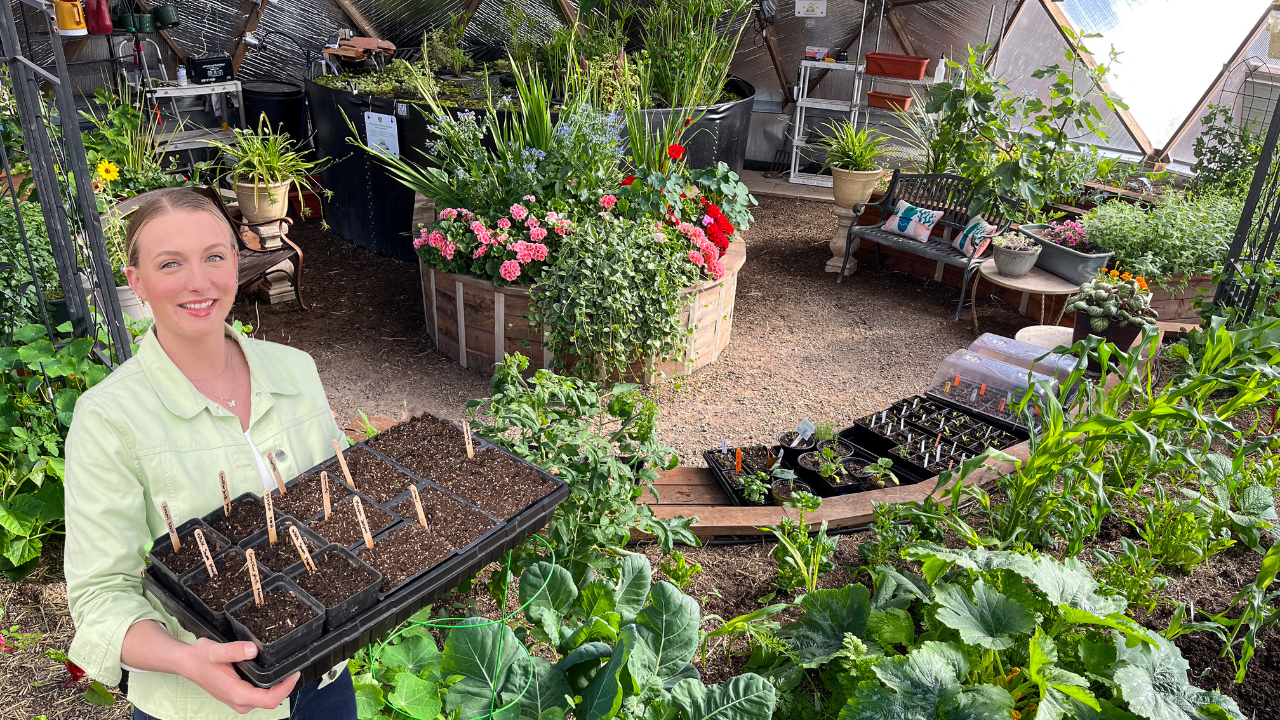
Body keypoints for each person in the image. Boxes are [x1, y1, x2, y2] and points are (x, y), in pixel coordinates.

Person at [64, 188, 357, 719]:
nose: (198, 281)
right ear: (137, 283)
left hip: (324, 682)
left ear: (237, 263)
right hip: (200, 706)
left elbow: (336, 509)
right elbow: (102, 596)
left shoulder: (295, 371)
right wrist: (185, 659)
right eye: (170, 263)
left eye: (214, 257)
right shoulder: (108, 418)